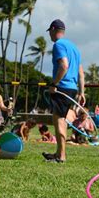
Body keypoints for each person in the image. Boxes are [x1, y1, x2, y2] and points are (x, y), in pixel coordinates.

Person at [42, 19, 85, 163]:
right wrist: (82, 92)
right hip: (72, 88)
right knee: (62, 120)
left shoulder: (58, 45)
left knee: (59, 120)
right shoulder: (74, 48)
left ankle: (61, 156)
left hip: (62, 87)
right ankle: (58, 153)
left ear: (53, 29)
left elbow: (64, 66)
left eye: (50, 32)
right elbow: (80, 73)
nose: (50, 36)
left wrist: (54, 83)